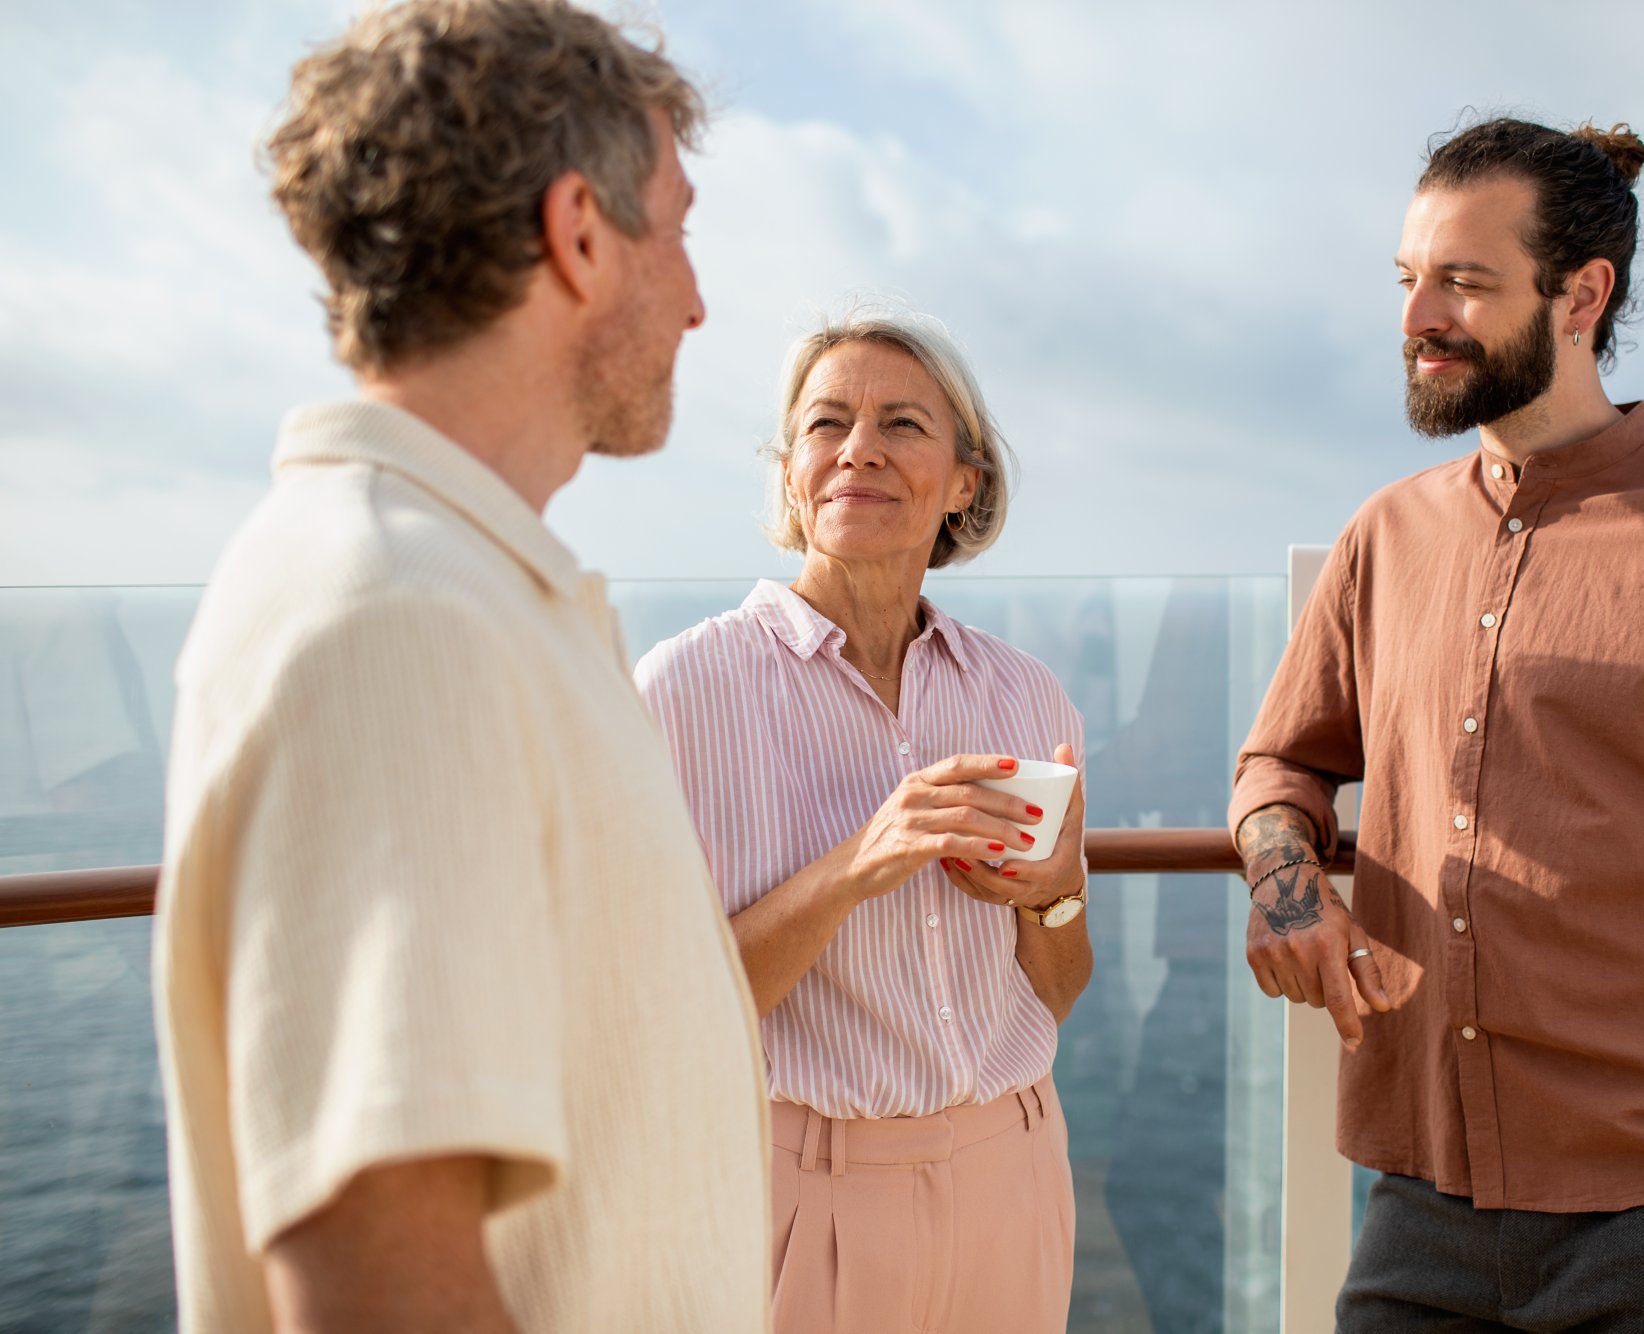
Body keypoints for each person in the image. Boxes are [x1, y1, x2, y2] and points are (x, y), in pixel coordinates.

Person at [150, 3, 769, 1329]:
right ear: (581, 234)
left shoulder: (457, 590)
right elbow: (380, 1284)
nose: (701, 299)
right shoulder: (395, 620)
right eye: (680, 225)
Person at [1228, 116, 1644, 1331]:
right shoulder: (1385, 536)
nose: (1417, 315)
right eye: (1408, 278)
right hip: (1416, 1202)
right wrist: (1288, 885)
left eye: (1463, 282)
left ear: (1581, 294)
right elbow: (1280, 757)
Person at [635, 307, 1089, 1334]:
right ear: (790, 469)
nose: (858, 450)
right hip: (806, 1196)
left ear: (964, 481)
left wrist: (1048, 894)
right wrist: (855, 864)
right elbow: (663, 1016)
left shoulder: (1029, 698)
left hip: (1015, 1171)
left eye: (902, 424)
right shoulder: (679, 691)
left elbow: (1058, 988)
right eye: (826, 422)